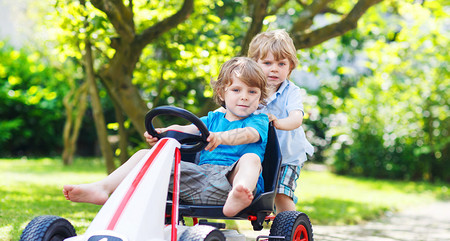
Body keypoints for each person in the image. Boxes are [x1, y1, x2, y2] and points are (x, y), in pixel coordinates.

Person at [63, 57, 269, 217]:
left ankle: (239, 195)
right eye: (236, 89)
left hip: (230, 183)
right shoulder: (212, 119)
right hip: (199, 178)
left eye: (252, 92)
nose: (244, 96)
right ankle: (102, 188)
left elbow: (248, 135)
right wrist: (163, 134)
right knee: (146, 154)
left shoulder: (258, 121)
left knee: (251, 159)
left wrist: (221, 138)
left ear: (260, 97)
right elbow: (186, 129)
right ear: (222, 93)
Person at [248, 29, 314, 213]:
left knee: (281, 194)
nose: (274, 69)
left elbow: (296, 118)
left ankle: (288, 229)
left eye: (281, 63)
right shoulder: (251, 90)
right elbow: (229, 110)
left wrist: (278, 123)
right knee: (252, 188)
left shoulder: (291, 91)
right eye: (267, 63)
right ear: (255, 64)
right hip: (258, 154)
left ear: (290, 67)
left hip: (288, 156)